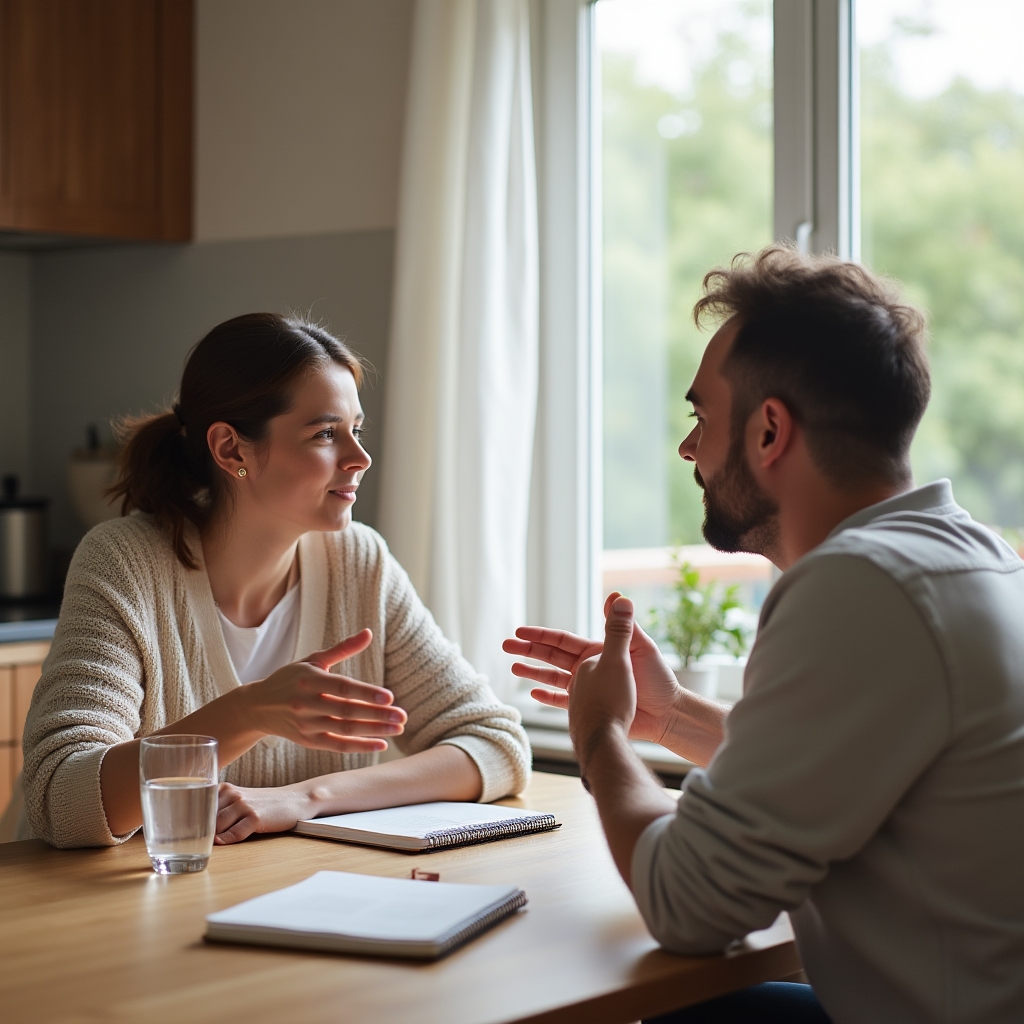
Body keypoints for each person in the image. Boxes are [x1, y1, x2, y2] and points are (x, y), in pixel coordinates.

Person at [506, 246, 1024, 1023]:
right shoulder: (970, 554)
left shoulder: (859, 588)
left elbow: (688, 906)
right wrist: (669, 714)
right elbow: (853, 768)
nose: (689, 451)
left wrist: (601, 736)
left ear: (770, 429)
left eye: (701, 419)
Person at [18, 313, 529, 849]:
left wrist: (304, 799)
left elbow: (496, 744)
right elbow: (61, 798)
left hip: (278, 896)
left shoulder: (359, 562)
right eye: (325, 434)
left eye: (355, 430)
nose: (360, 458)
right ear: (232, 450)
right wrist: (250, 711)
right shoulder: (125, 562)